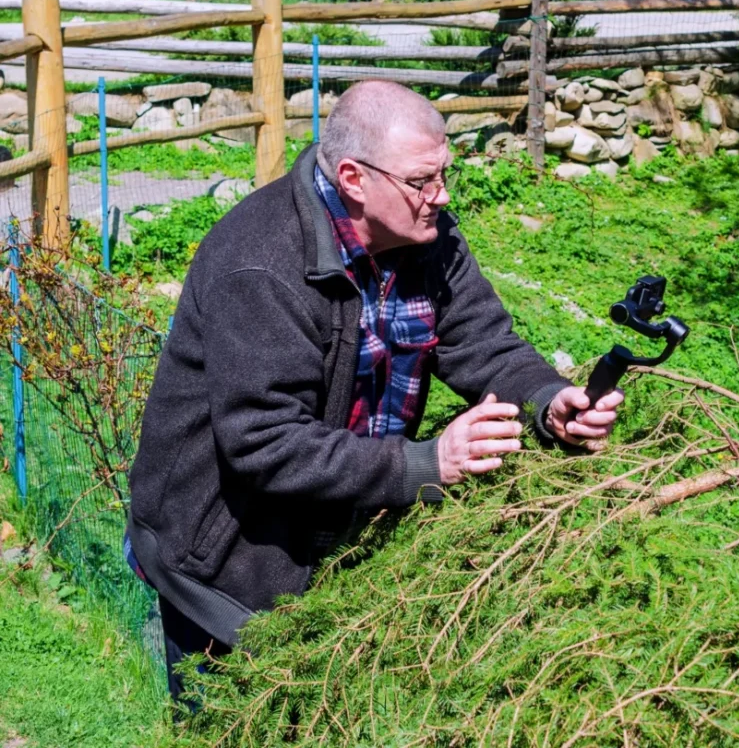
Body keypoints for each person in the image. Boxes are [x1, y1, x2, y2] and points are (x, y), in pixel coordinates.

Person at [124, 80, 624, 702]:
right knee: (229, 725)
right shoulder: (261, 262)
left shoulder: (427, 240)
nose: (441, 196)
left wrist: (550, 400)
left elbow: (482, 343)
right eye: (422, 181)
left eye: (444, 174)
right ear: (356, 179)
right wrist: (426, 463)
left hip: (335, 534)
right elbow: (264, 441)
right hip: (226, 562)